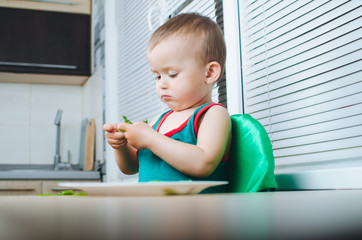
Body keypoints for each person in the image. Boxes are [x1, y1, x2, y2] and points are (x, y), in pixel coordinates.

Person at [103, 13, 231, 192]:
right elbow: (132, 167)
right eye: (157, 76)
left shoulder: (212, 114)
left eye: (172, 74)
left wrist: (150, 138)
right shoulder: (159, 121)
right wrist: (121, 146)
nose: (162, 84)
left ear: (209, 73)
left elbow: (203, 163)